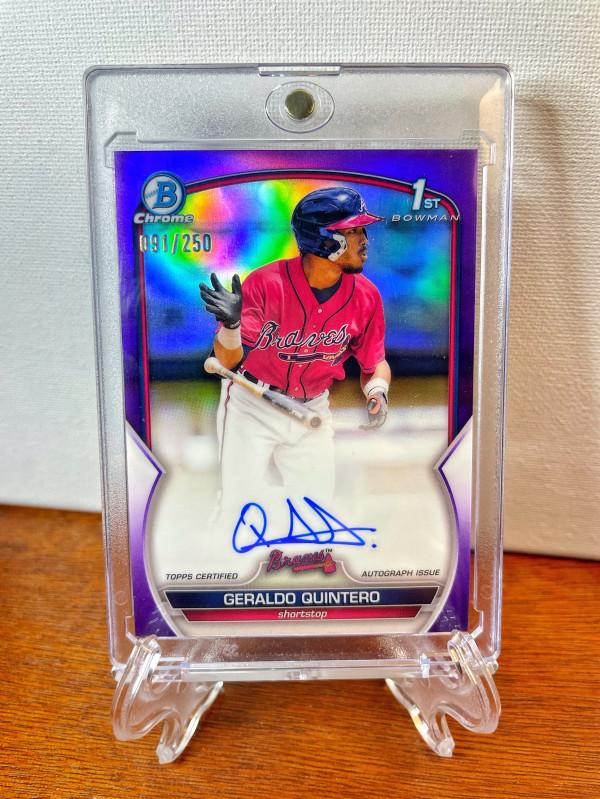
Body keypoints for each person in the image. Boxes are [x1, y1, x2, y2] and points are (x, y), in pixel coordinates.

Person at [199, 186, 391, 518]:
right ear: (325, 240)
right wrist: (231, 326)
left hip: (312, 408)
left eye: (363, 230)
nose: (364, 240)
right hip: (253, 404)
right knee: (237, 506)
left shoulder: (366, 296)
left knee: (316, 510)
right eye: (354, 231)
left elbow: (374, 362)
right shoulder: (265, 283)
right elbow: (228, 362)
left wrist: (377, 391)